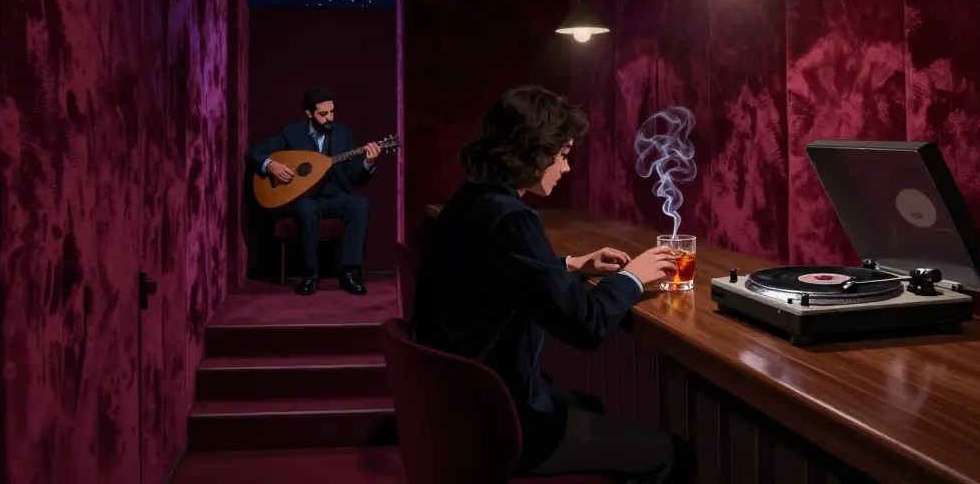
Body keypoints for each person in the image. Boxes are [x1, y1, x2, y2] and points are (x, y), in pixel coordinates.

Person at [411, 85, 697, 483]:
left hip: (458, 410)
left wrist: (571, 263)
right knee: (675, 454)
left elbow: (499, 273)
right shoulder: (513, 219)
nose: (566, 168)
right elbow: (585, 324)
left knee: (589, 405)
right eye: (561, 155)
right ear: (532, 153)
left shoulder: (470, 201)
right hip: (501, 422)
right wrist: (634, 278)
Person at [247, 87, 381, 296]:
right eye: (323, 113)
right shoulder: (291, 133)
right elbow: (253, 153)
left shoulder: (343, 134)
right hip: (306, 198)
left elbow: (356, 176)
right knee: (306, 211)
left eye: (332, 112)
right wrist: (271, 165)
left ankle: (350, 275)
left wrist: (368, 162)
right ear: (309, 113)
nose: (330, 118)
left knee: (360, 205)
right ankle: (309, 276)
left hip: (335, 196)